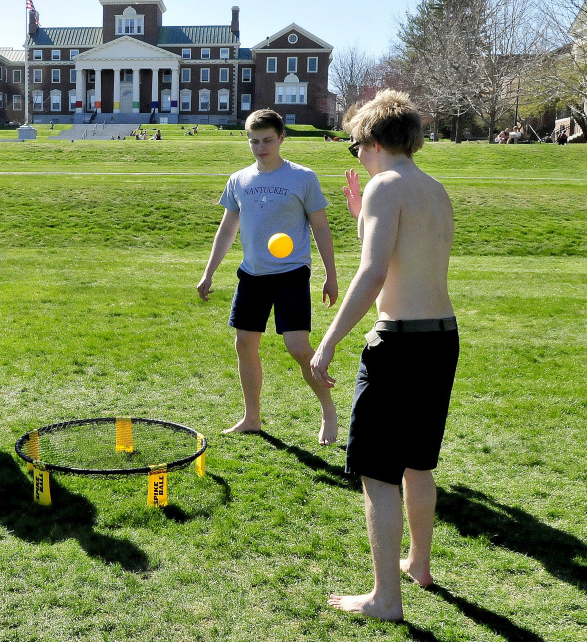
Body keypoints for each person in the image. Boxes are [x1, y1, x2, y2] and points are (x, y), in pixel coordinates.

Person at [309, 89, 459, 621]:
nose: (357, 158)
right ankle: (417, 564)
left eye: (355, 148)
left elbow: (373, 274)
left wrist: (327, 343)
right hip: (442, 338)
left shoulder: (385, 188)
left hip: (399, 342)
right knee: (418, 462)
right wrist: (359, 214)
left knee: (378, 472)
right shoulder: (432, 188)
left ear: (371, 141)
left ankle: (385, 599)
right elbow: (406, 258)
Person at [197, 108, 339, 444]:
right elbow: (227, 228)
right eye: (254, 141)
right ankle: (252, 417)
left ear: (281, 139)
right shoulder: (239, 180)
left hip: (291, 274)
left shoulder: (302, 177)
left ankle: (328, 411)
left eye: (267, 140)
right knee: (244, 343)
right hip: (252, 275)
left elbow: (320, 227)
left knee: (298, 348)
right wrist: (208, 273)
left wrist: (330, 276)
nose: (261, 147)